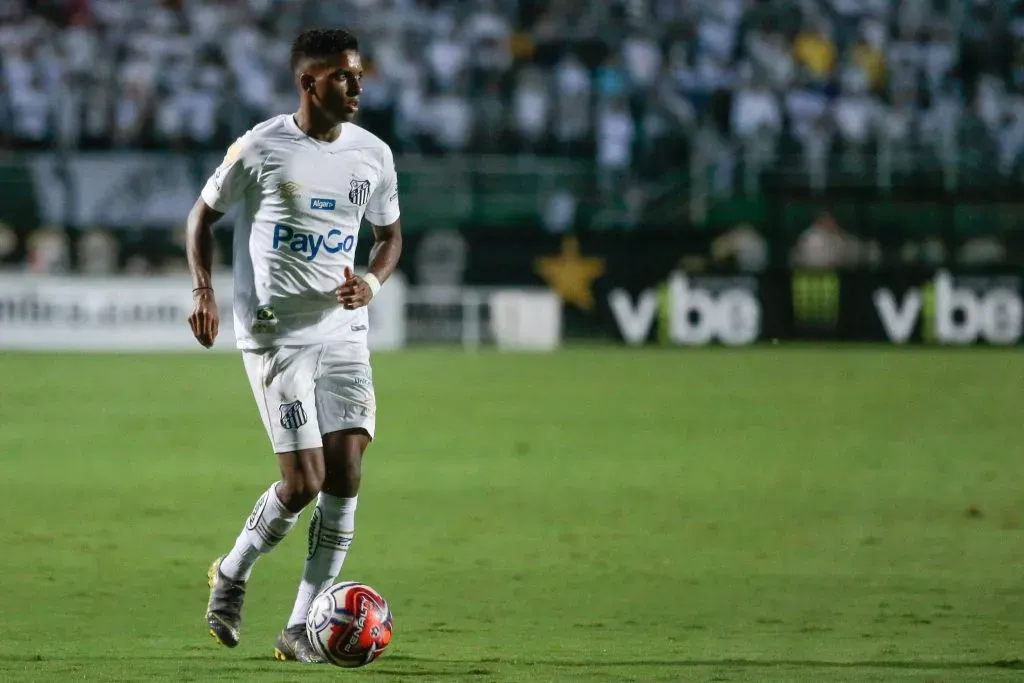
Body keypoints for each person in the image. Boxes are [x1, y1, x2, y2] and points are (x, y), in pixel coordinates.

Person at [184, 28, 403, 664]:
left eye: (358, 75)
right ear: (309, 83)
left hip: (343, 332)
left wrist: (370, 282)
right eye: (342, 76)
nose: (357, 86)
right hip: (275, 335)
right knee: (304, 482)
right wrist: (203, 290)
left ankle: (302, 624)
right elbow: (201, 217)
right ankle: (232, 572)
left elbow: (390, 236)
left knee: (347, 469)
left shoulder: (373, 154)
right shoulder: (260, 147)